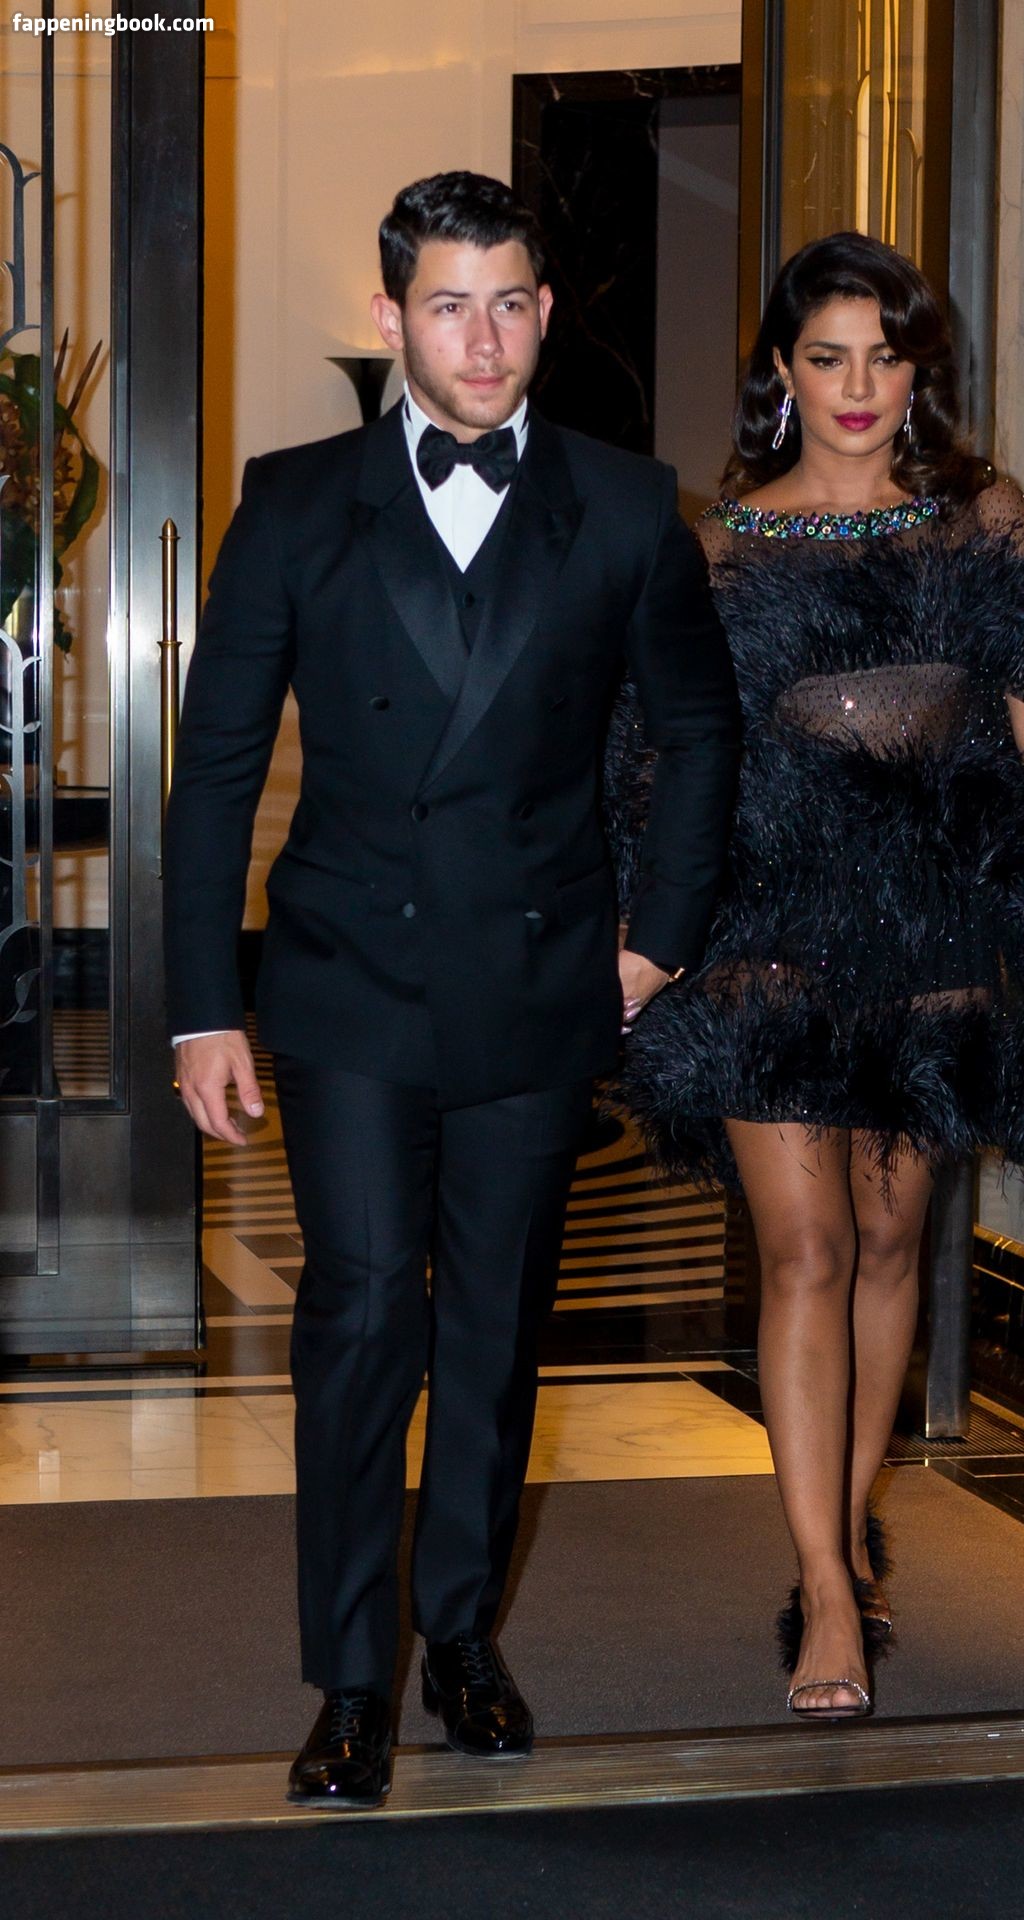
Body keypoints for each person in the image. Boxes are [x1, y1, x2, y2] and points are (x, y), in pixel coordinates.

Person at [164, 170, 740, 1803]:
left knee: (492, 1327)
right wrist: (202, 1003)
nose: (482, 343)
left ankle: (464, 1636)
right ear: (391, 316)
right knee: (361, 1316)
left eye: (509, 306)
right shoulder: (292, 502)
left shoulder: (626, 504)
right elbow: (216, 768)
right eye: (447, 307)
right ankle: (353, 1679)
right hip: (347, 977)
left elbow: (701, 732)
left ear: (544, 313)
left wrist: (658, 935)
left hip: (542, 979)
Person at [610, 231, 1024, 1721]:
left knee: (887, 1246)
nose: (859, 385)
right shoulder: (716, 548)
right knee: (805, 1251)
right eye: (828, 356)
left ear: (917, 369)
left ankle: (853, 1524)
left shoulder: (979, 523)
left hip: (933, 935)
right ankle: (823, 1583)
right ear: (781, 372)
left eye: (885, 356)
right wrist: (639, 938)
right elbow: (666, 762)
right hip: (767, 937)